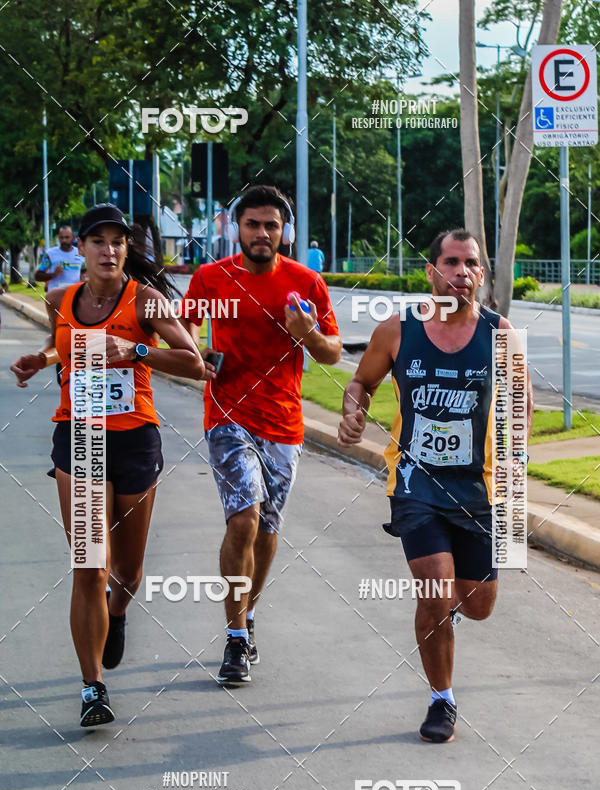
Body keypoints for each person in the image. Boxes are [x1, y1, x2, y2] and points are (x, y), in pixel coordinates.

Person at [11, 203, 205, 727]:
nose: (108, 249)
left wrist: (135, 350)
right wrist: (43, 359)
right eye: (97, 240)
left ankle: (117, 613)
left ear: (126, 249)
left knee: (128, 570)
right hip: (78, 438)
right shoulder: (60, 299)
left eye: (117, 241)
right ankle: (92, 686)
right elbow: (66, 346)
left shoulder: (148, 302)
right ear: (82, 249)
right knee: (89, 565)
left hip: (135, 439)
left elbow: (197, 365)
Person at [338, 229, 534, 743]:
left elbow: (523, 408)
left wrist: (516, 477)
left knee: (478, 605)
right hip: (415, 484)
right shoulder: (398, 331)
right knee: (433, 587)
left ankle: (451, 607)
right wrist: (353, 412)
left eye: (472, 264)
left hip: (481, 490)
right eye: (451, 262)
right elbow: (361, 383)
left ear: (481, 274)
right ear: (431, 271)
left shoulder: (501, 335)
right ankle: (441, 699)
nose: (462, 273)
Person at [182, 184, 342, 686]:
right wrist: (196, 355)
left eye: (271, 225)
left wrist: (307, 334)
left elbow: (333, 353)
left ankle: (247, 617)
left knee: (268, 531)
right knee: (244, 519)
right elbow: (180, 327)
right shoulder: (211, 278)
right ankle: (233, 639)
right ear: (237, 228)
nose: (262, 233)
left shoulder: (305, 283)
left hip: (284, 423)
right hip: (227, 415)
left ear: (285, 232)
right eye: (252, 224)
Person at [35, 225, 85, 291]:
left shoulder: (80, 253)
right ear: (58, 238)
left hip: (74, 297)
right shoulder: (50, 254)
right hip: (55, 297)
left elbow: (86, 274)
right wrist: (53, 274)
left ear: (73, 238)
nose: (64, 240)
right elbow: (37, 276)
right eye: (61, 237)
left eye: (67, 237)